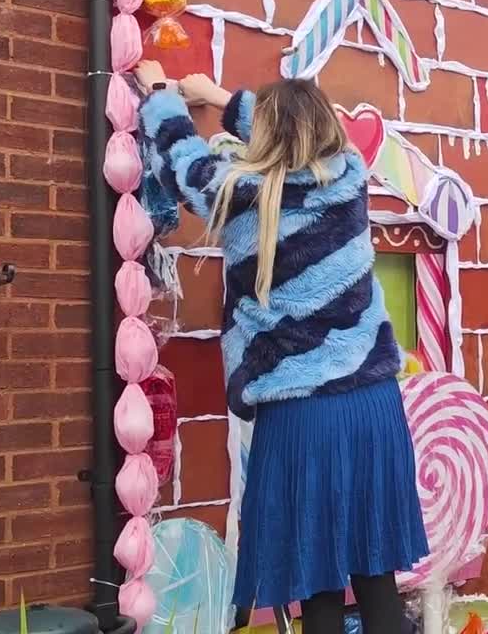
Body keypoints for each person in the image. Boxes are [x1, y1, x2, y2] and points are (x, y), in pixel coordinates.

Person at [133, 61, 428, 633]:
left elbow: (181, 160)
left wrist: (164, 94)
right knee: (376, 582)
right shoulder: (348, 178)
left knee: (315, 589)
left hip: (301, 416)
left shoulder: (238, 195)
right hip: (372, 407)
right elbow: (300, 137)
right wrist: (220, 96)